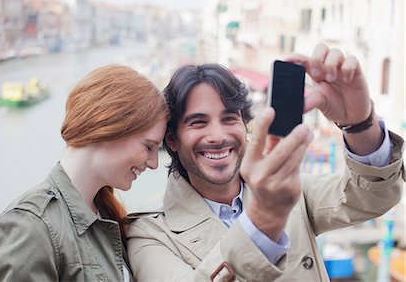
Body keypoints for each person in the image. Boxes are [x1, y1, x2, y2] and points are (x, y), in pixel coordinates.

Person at [126, 44, 404, 281]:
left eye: (229, 119)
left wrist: (359, 124)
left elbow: (370, 197)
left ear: (245, 125)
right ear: (172, 140)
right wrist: (263, 220)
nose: (218, 136)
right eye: (198, 123)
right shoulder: (148, 234)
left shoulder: (292, 190)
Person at [0, 65, 168, 281]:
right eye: (148, 146)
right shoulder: (30, 228)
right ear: (110, 126)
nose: (154, 163)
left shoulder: (106, 216)